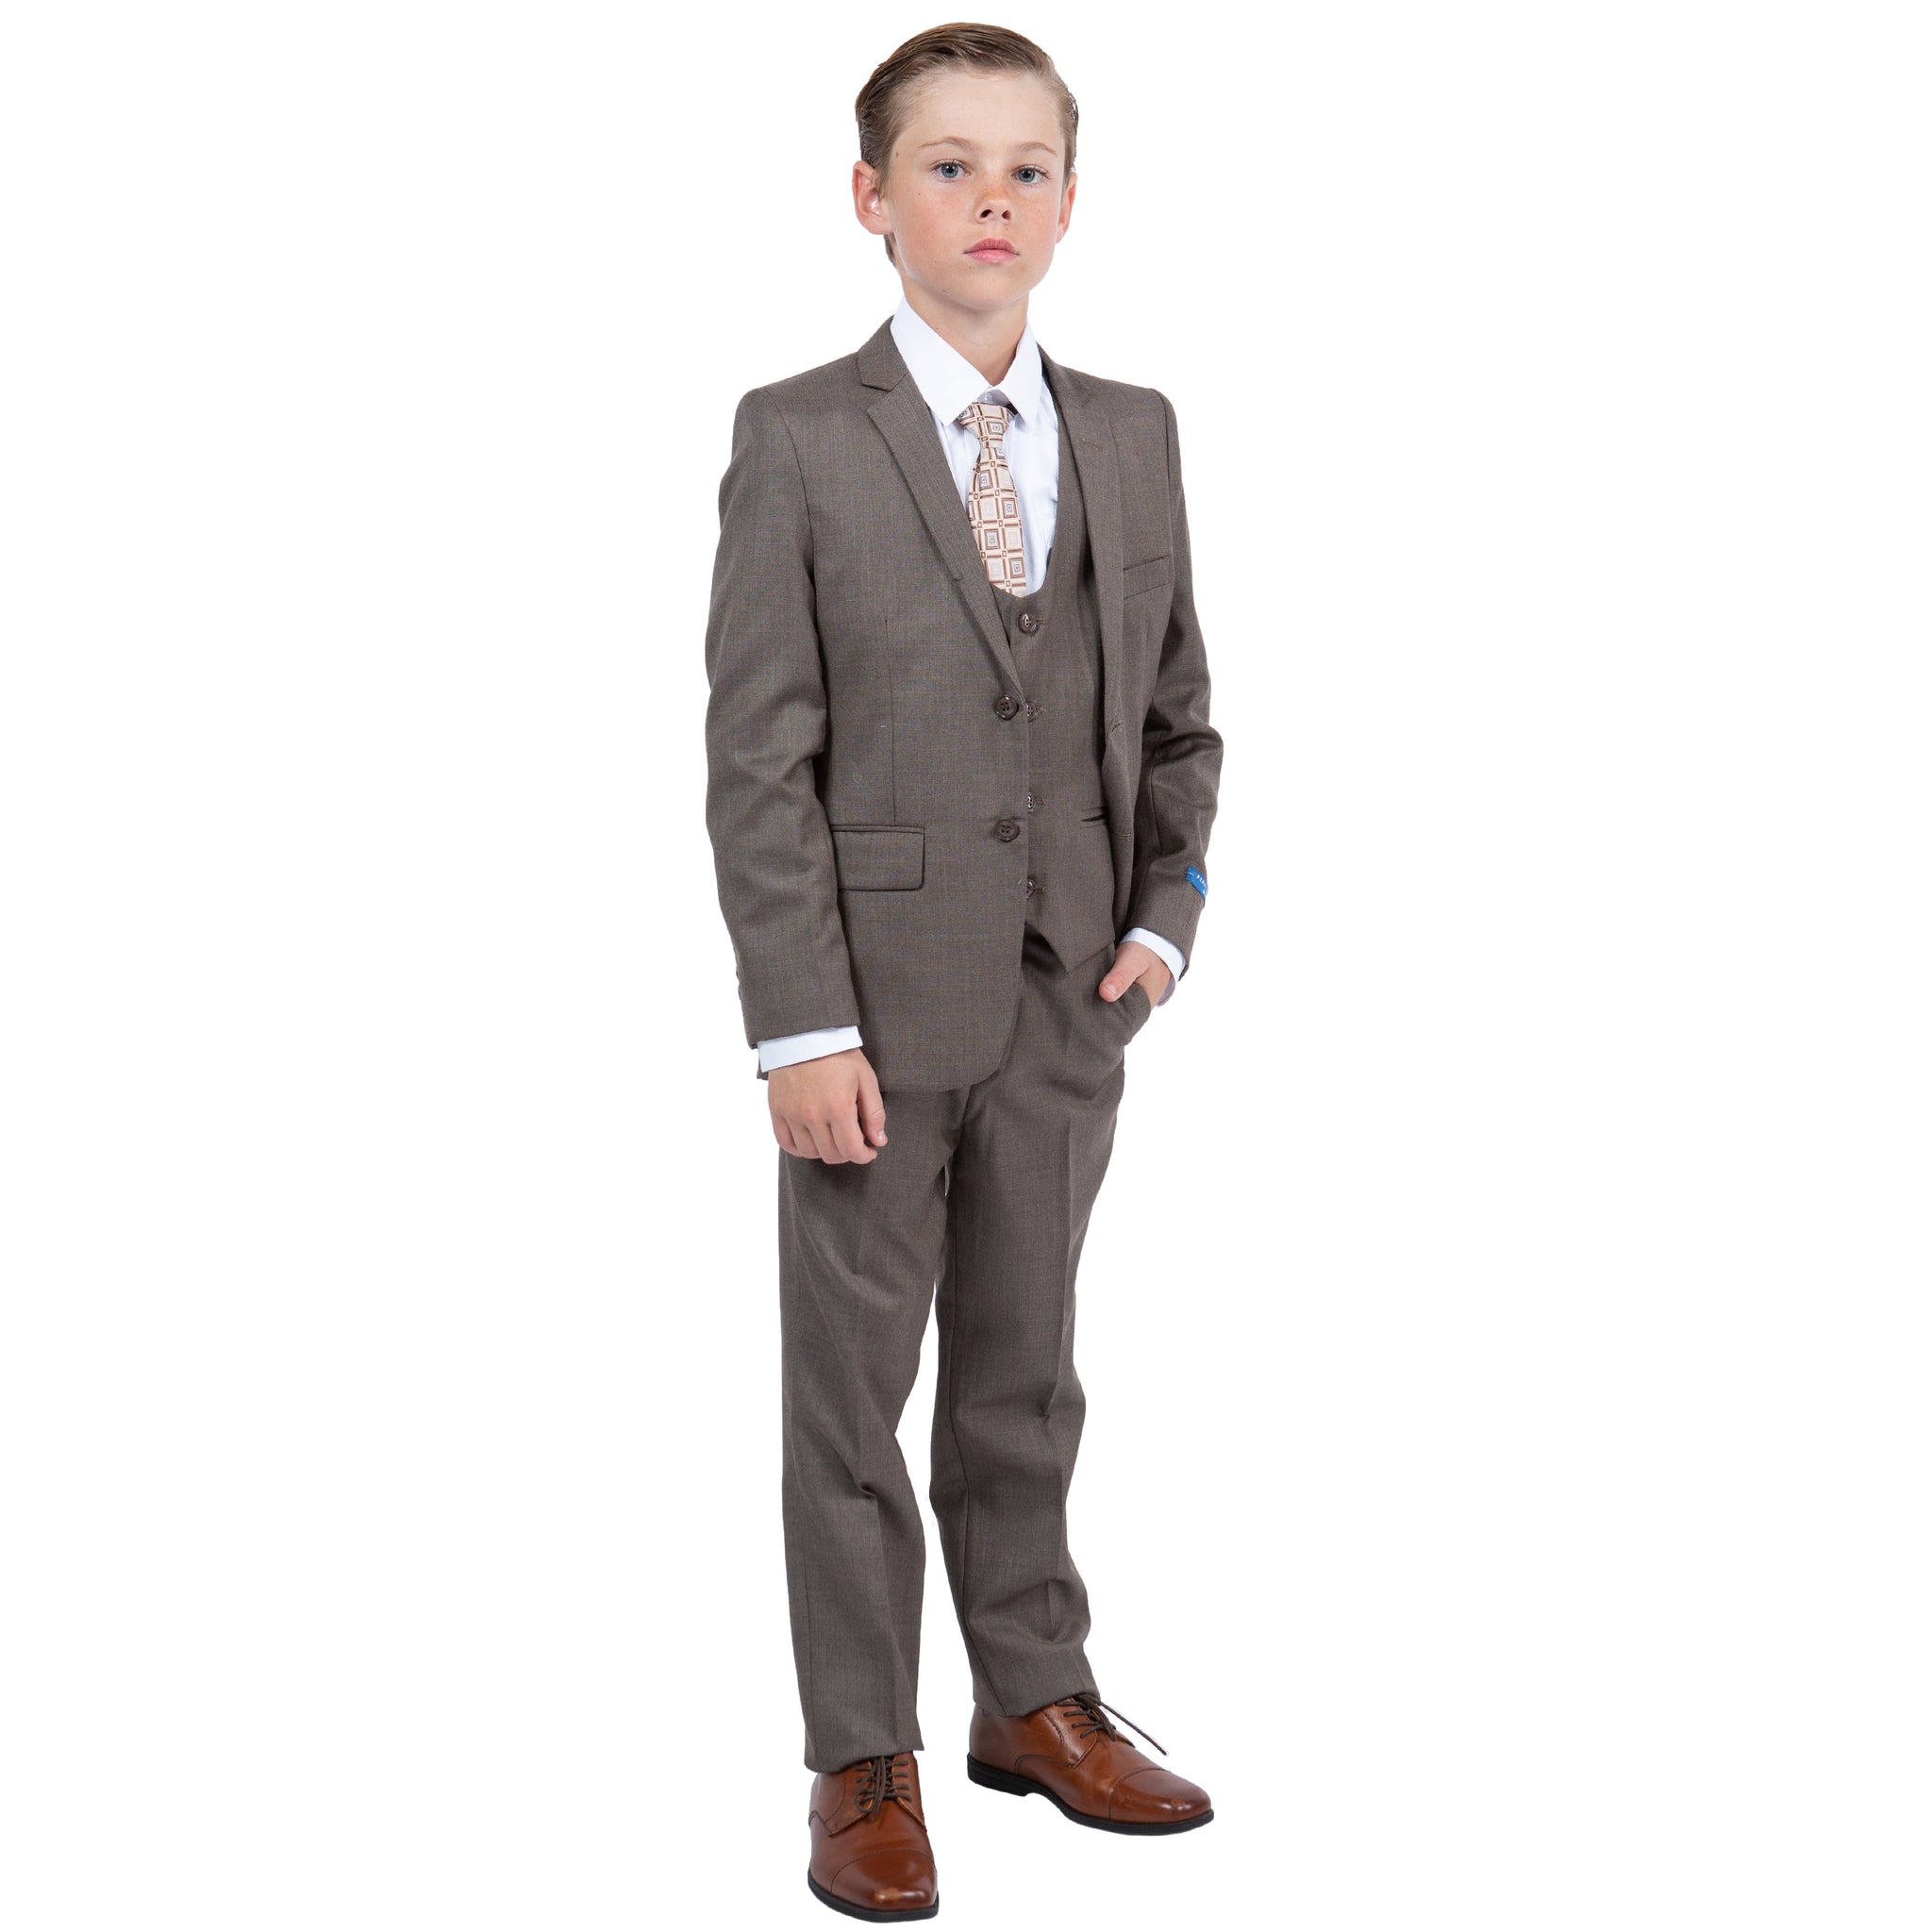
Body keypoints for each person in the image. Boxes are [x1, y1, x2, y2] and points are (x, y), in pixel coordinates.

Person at [702, 24, 1224, 1921]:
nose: (990, 200)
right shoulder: (800, 435)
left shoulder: (1134, 430)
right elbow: (759, 753)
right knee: (851, 1400)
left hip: (1071, 1001)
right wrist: (799, 1023)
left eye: (1026, 169)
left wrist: (1162, 919)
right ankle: (864, 1753)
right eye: (947, 166)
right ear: (871, 197)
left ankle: (1031, 1693)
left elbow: (1179, 711)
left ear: (1069, 205)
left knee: (1025, 1374)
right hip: (870, 1012)